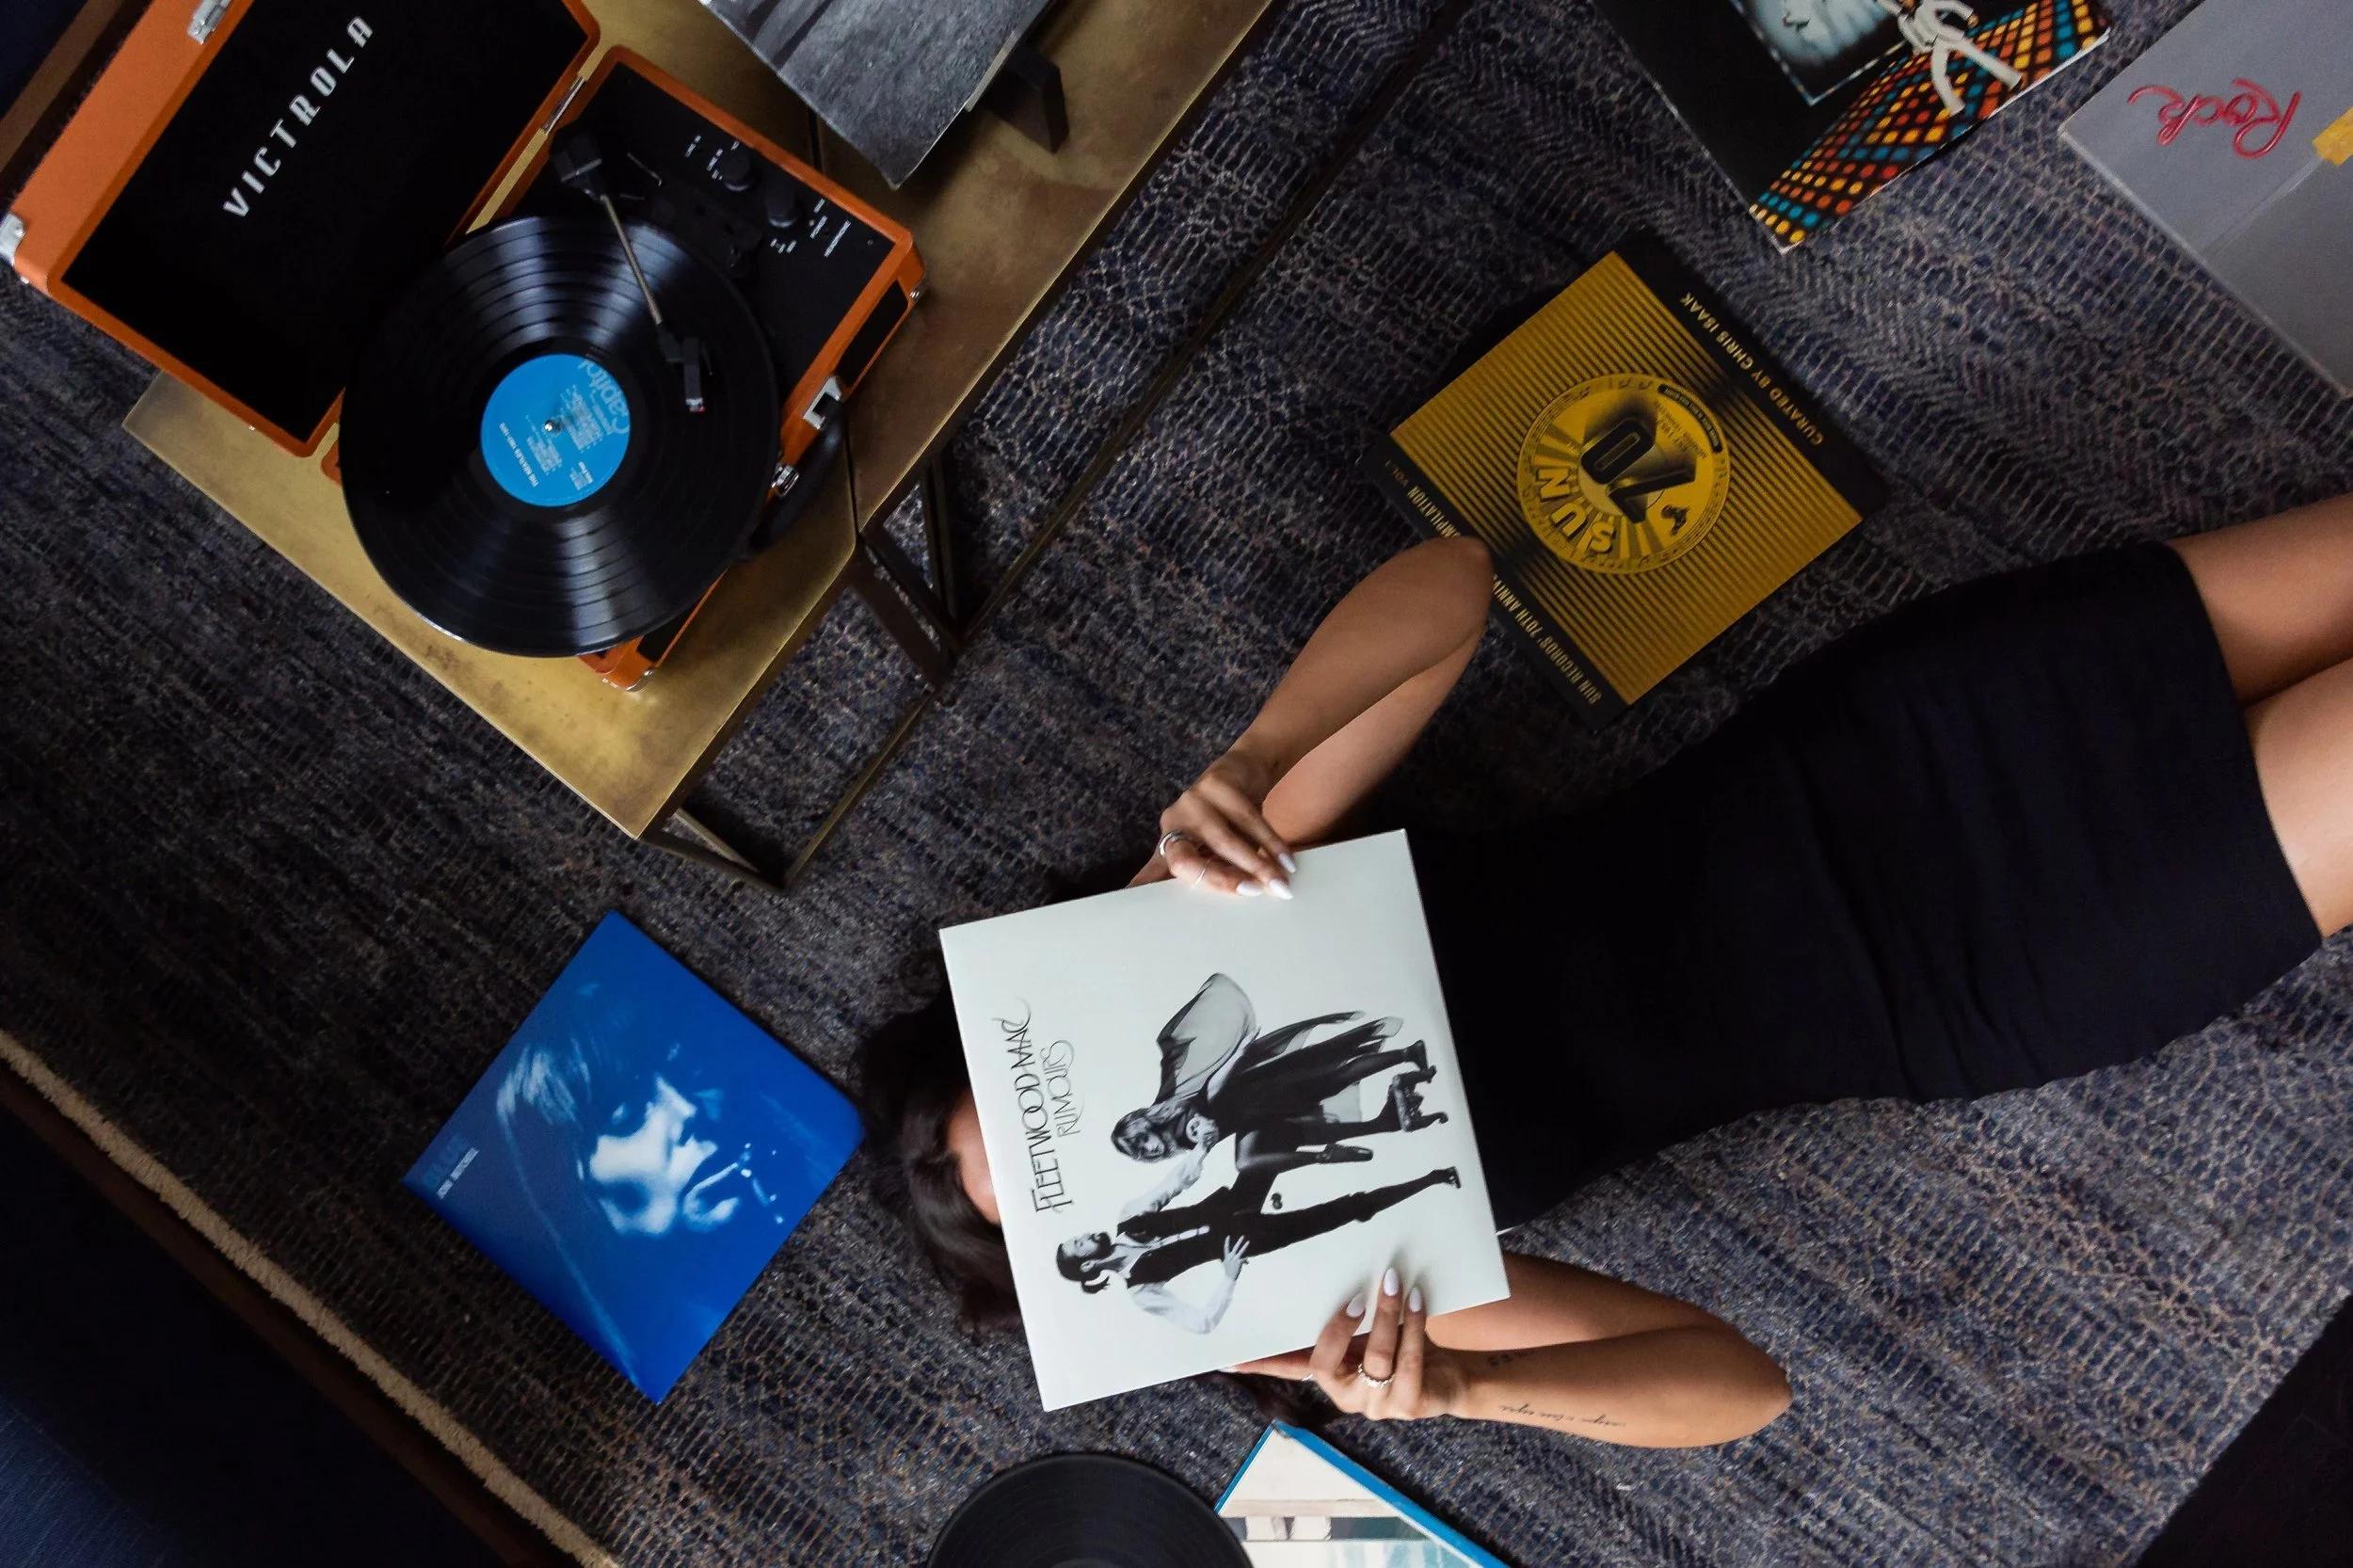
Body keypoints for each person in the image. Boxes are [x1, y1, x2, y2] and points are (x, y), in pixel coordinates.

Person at [861, 492, 2353, 1447]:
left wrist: (1247, 764)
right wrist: (1458, 1385)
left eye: (1049, 1090)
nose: (1131, 1134)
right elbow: (1740, 1384)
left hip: (1882, 746)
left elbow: (1453, 582)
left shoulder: (1204, 918)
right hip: (1983, 971)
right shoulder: (1311, 1288)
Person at [1057, 1166, 1461, 1335]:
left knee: (1270, 1143)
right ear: (1088, 1263)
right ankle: (1433, 1178)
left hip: (1231, 1202)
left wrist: (1199, 1148)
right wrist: (1228, 1278)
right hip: (1244, 1239)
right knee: (1342, 1210)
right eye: (1079, 1242)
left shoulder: (1129, 1218)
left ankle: (1382, 1120)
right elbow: (1201, 1324)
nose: (1087, 1233)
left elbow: (1173, 1183)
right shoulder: (1140, 1289)